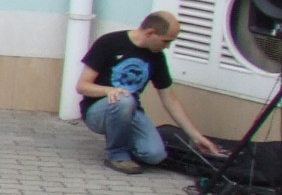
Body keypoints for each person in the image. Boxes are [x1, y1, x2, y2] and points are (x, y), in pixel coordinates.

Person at [77, 11, 223, 173]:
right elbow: (82, 86)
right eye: (166, 41)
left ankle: (127, 141)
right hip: (98, 111)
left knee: (155, 155)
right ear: (150, 33)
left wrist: (196, 136)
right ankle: (117, 155)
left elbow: (170, 99)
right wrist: (109, 90)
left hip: (131, 110)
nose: (167, 46)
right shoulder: (109, 43)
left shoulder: (157, 57)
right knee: (123, 100)